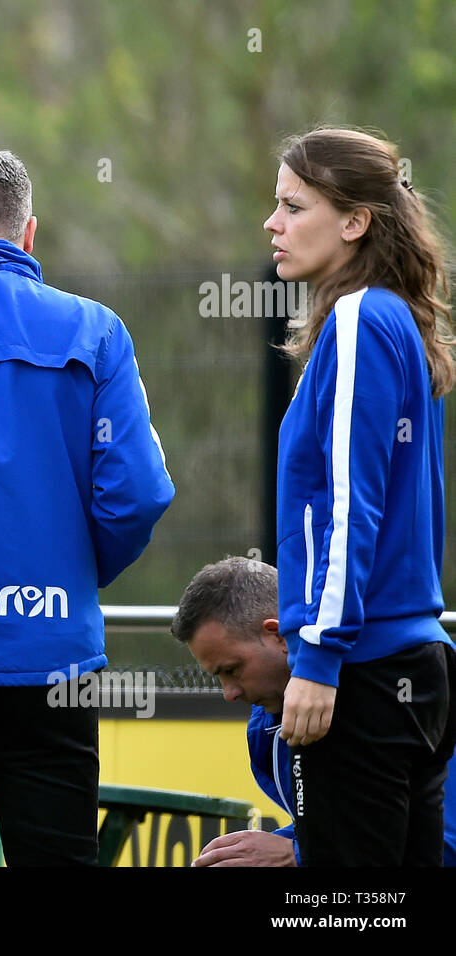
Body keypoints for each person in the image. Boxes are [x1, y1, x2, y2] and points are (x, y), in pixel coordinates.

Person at [0, 145, 175, 866]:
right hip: (49, 653)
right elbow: (137, 493)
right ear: (29, 233)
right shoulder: (94, 332)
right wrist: (70, 570)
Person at [265, 127, 456, 865]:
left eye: (292, 206)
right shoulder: (396, 319)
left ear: (355, 222)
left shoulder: (357, 319)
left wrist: (317, 659)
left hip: (363, 674)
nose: (272, 225)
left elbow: (351, 504)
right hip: (415, 670)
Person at [171, 557, 298, 867]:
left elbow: (434, 844)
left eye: (232, 669)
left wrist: (295, 855)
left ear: (278, 635)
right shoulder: (265, 730)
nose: (229, 694)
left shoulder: (380, 697)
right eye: (219, 676)